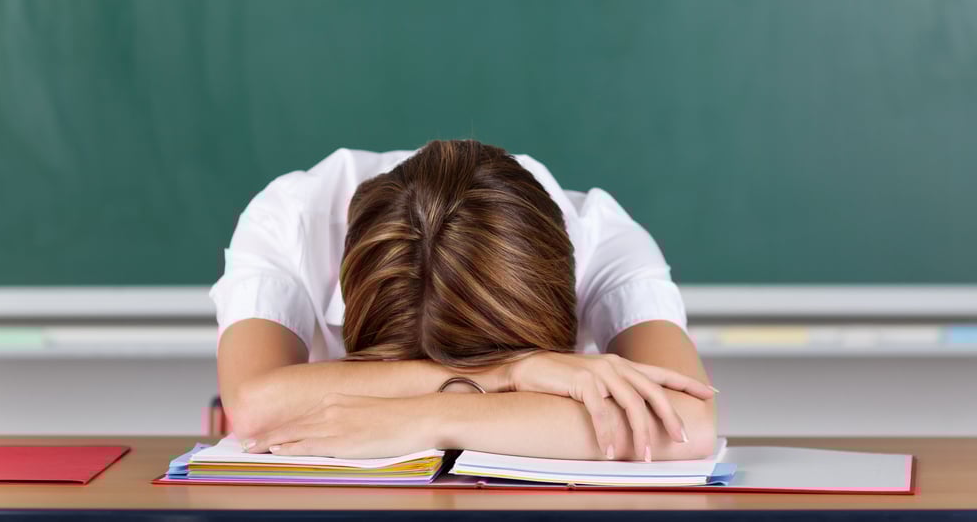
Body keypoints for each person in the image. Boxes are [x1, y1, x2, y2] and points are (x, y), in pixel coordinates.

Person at [213, 139, 718, 461]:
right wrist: (504, 376)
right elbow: (254, 407)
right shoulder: (292, 219)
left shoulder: (603, 238)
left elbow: (688, 425)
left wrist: (429, 416)